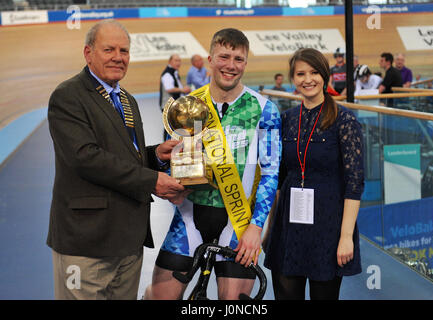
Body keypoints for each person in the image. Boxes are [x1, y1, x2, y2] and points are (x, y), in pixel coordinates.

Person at [46, 19, 187, 300]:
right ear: (88, 53)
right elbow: (85, 158)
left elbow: (122, 155)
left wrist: (154, 154)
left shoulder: (126, 99)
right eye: (109, 49)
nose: (118, 57)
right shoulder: (68, 96)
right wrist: (152, 180)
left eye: (124, 51)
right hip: (86, 242)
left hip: (128, 241)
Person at [145, 28, 282, 300]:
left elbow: (270, 173)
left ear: (245, 62)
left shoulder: (265, 109)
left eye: (239, 59)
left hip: (239, 226)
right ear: (210, 58)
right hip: (187, 220)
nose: (231, 65)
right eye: (224, 56)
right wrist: (168, 177)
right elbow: (174, 159)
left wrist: (256, 227)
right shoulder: (190, 105)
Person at [263, 48, 364, 300]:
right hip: (289, 223)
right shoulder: (286, 119)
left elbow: (354, 182)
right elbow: (278, 179)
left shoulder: (345, 121)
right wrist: (269, 229)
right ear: (292, 79)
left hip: (328, 225)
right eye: (300, 74)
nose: (307, 79)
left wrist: (346, 237)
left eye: (314, 72)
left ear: (325, 75)